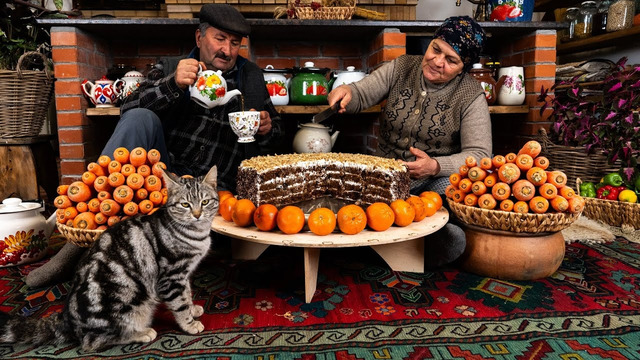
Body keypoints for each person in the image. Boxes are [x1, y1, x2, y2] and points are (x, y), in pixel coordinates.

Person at [26, 4, 283, 288]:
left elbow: (278, 136)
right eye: (220, 39)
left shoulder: (252, 79)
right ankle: (80, 240)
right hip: (163, 177)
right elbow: (128, 106)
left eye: (235, 43)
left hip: (214, 191)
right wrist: (173, 84)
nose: (227, 50)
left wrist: (267, 127)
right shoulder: (172, 67)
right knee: (139, 118)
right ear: (199, 38)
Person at [327, 16, 491, 268]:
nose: (437, 62)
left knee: (450, 222)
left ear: (463, 67)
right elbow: (362, 92)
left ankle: (377, 246)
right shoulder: (402, 67)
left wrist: (435, 166)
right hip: (383, 176)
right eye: (436, 49)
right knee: (340, 199)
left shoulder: (470, 95)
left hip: (431, 184)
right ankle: (397, 247)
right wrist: (348, 92)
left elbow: (480, 155)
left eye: (451, 60)